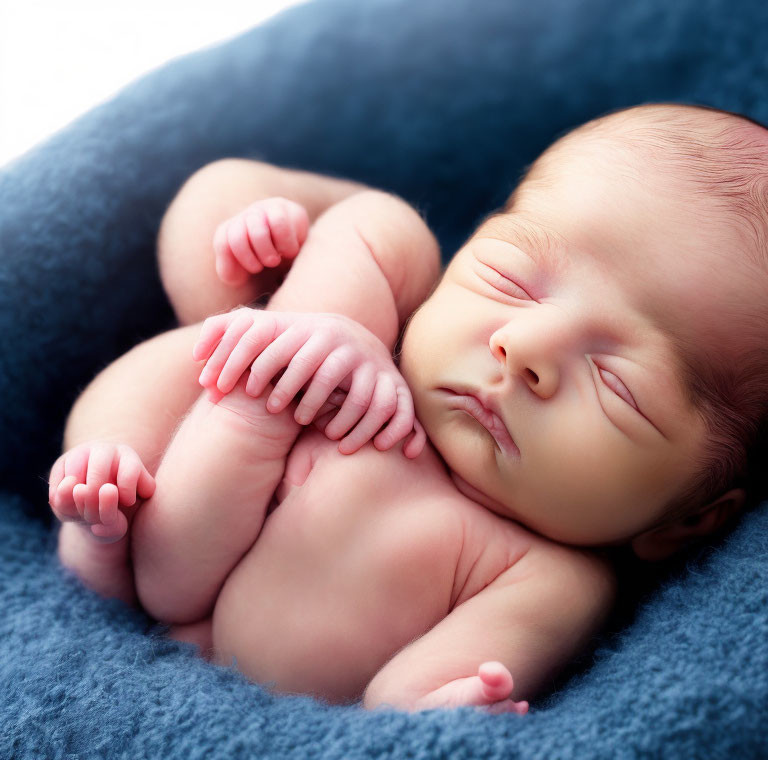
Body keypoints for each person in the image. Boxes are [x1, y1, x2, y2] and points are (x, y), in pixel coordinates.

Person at [48, 102, 768, 713]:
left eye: (618, 384)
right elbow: (217, 192)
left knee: (183, 526)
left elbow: (402, 709)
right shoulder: (387, 311)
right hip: (157, 508)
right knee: (369, 235)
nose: (523, 346)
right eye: (512, 280)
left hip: (223, 659)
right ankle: (106, 510)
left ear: (687, 522)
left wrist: (446, 711)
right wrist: (272, 236)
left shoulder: (547, 580)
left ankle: (161, 485)